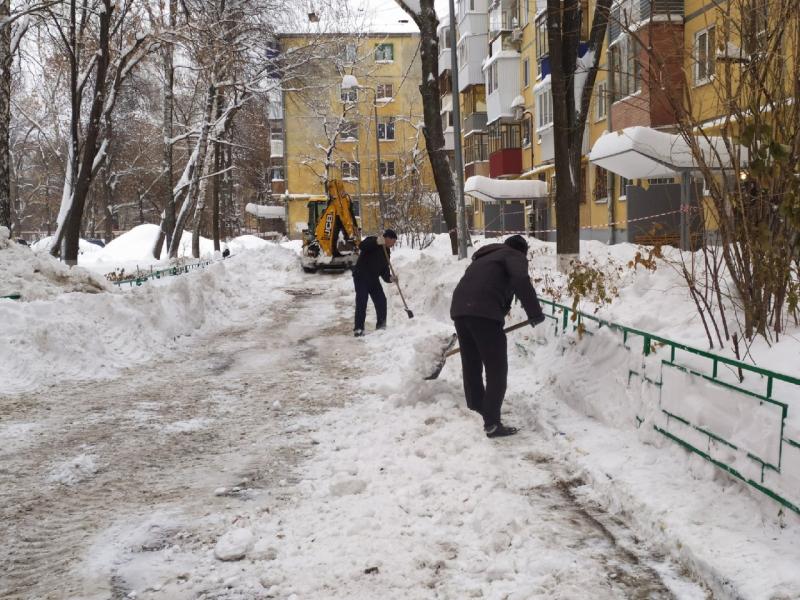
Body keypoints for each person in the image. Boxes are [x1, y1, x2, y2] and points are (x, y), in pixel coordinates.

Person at [450, 234, 545, 438]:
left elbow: (489, 286)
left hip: (460, 310)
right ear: (522, 251)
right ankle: (492, 423)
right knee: (496, 369)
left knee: (472, 364)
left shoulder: (486, 257)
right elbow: (520, 280)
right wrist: (535, 312)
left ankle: (477, 410)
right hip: (483, 312)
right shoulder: (514, 255)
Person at [352, 229, 398, 337]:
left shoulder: (387, 252)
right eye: (393, 241)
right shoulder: (373, 240)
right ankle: (359, 329)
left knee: (381, 300)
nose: (393, 244)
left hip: (373, 279)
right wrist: (376, 242)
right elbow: (362, 246)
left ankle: (381, 326)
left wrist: (390, 278)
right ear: (387, 238)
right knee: (362, 301)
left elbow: (384, 270)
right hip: (361, 276)